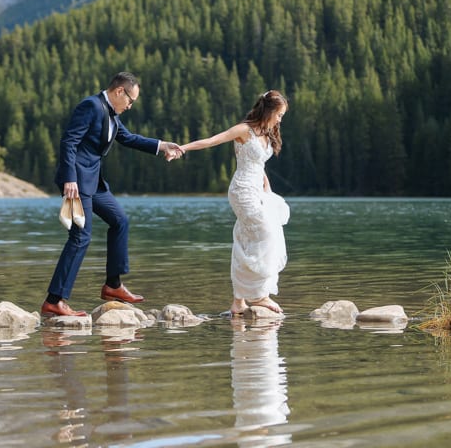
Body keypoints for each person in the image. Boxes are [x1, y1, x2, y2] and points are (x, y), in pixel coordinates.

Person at [42, 71, 183, 317]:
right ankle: (55, 300)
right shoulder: (91, 106)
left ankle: (113, 286)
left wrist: (162, 146)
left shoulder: (112, 115)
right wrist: (69, 179)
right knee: (80, 237)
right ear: (119, 91)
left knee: (120, 221)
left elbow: (128, 138)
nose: (130, 106)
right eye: (130, 100)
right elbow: (69, 142)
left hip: (94, 183)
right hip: (76, 182)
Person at [179, 90, 290, 316]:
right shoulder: (244, 130)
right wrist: (183, 148)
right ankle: (260, 295)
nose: (280, 120)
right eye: (279, 115)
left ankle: (239, 301)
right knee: (266, 234)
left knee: (247, 239)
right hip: (241, 191)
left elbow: (260, 165)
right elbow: (212, 141)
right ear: (269, 110)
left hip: (258, 191)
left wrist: (268, 190)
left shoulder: (267, 132)